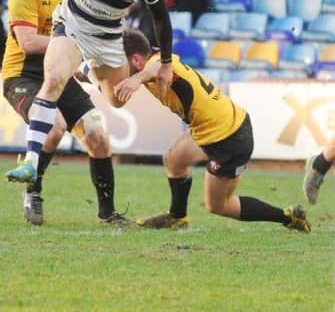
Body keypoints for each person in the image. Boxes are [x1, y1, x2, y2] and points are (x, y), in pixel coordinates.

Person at [5, 0, 173, 183]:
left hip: (107, 42)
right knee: (55, 80)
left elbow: (161, 20)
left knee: (117, 100)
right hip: (72, 29)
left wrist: (165, 63)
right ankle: (30, 162)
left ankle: (86, 68)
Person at [115, 29, 311, 233]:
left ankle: (288, 216)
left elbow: (158, 68)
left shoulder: (156, 65)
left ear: (136, 59)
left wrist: (136, 79)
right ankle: (177, 217)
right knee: (174, 159)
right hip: (212, 127)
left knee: (218, 205)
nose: (118, 67)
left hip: (229, 136)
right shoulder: (153, 56)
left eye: (120, 61)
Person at [2, 0, 133, 226]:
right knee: (54, 127)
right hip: (24, 75)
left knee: (97, 135)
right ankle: (32, 192)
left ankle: (107, 214)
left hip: (61, 73)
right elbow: (27, 42)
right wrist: (74, 43)